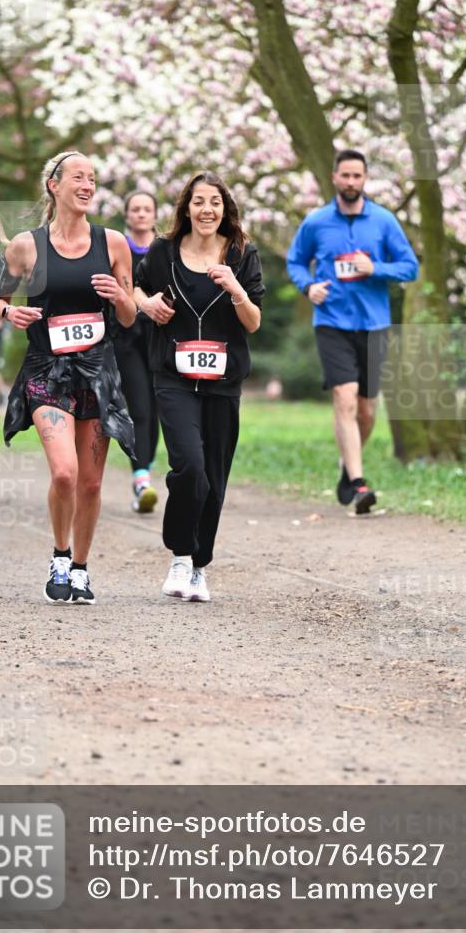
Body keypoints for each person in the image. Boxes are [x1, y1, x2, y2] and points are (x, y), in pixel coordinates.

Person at [0, 151, 136, 604]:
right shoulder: (26, 245)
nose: (88, 185)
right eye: (79, 177)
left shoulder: (113, 243)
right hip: (46, 372)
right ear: (54, 186)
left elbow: (129, 316)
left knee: (91, 482)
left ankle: (81, 570)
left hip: (97, 373)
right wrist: (10, 313)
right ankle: (59, 555)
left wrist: (119, 297)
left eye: (93, 178)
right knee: (65, 473)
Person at [133, 171, 264, 602]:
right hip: (173, 376)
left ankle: (199, 568)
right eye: (199, 202)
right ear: (186, 208)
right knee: (190, 467)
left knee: (214, 478)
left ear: (225, 209)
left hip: (223, 382)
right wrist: (147, 305)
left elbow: (254, 322)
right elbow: (135, 288)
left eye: (215, 202)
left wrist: (236, 288)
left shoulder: (242, 254)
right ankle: (180, 556)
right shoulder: (163, 252)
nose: (207, 210)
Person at [287, 149, 418, 513]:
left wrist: (375, 268)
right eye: (344, 175)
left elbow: (410, 267)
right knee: (344, 398)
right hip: (332, 322)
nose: (350, 181)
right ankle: (360, 485)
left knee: (367, 411)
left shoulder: (383, 221)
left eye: (356, 176)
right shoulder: (316, 222)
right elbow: (296, 261)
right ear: (334, 178)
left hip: (374, 325)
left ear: (365, 179)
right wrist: (308, 286)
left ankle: (348, 463)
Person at [112, 191, 159, 513]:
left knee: (158, 411)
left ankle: (145, 470)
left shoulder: (167, 249)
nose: (141, 214)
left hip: (162, 339)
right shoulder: (117, 248)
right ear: (127, 215)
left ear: (155, 215)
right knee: (140, 409)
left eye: (147, 209)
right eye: (136, 209)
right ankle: (141, 479)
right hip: (127, 339)